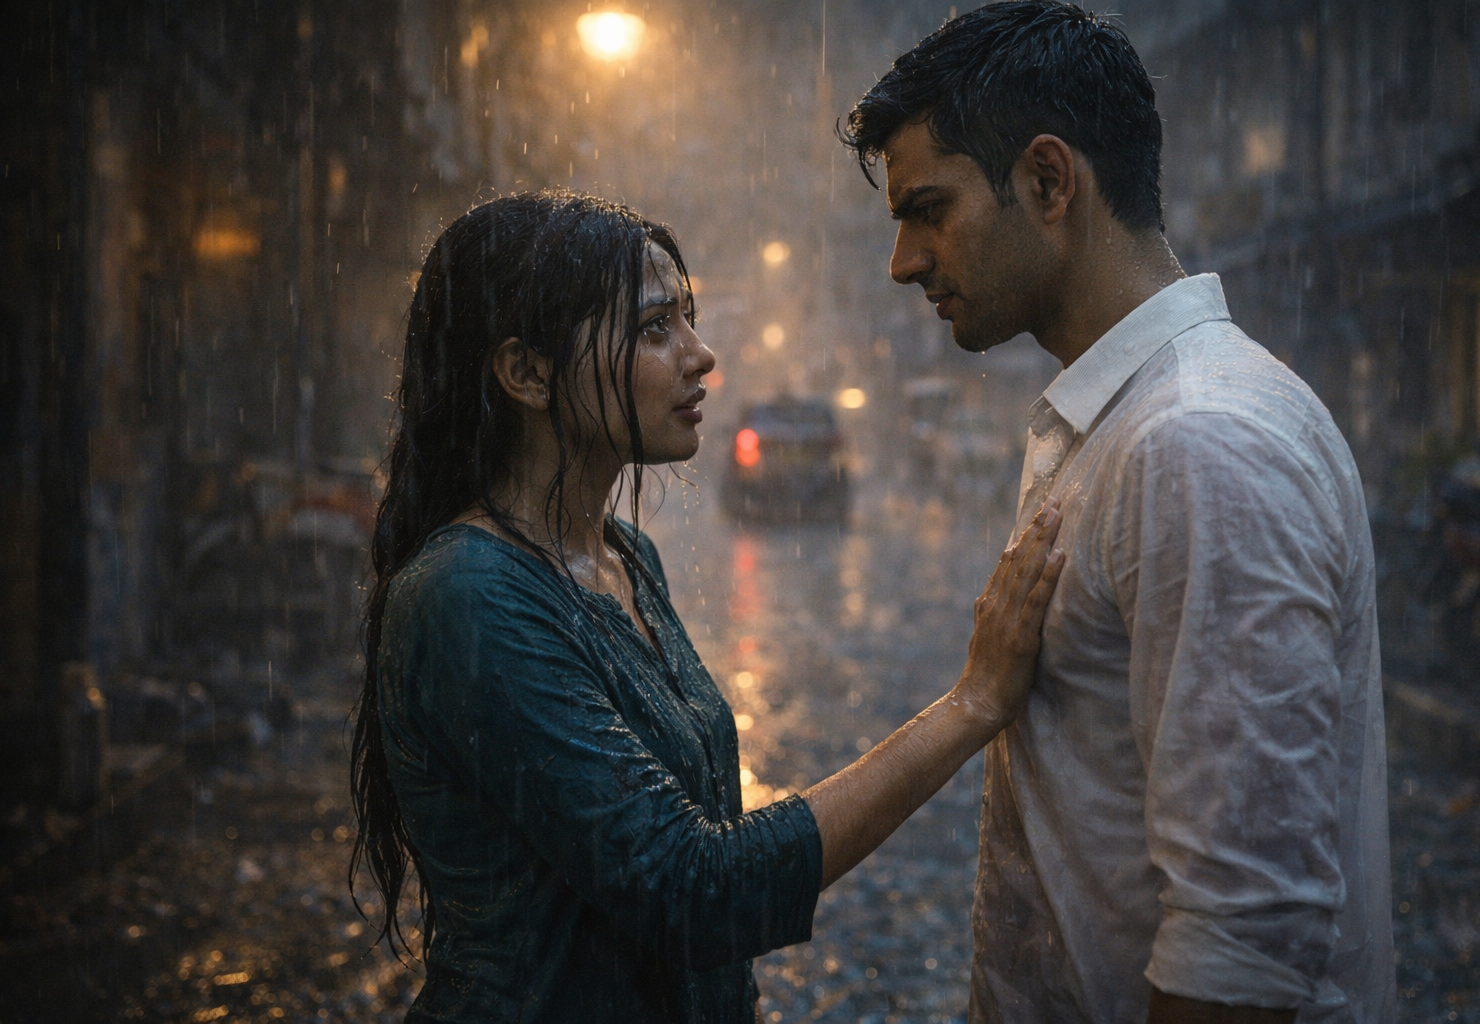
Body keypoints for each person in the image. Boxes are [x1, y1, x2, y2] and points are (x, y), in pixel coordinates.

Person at [347, 190, 1065, 1023]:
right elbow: (689, 888)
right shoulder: (467, 595)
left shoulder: (626, 557)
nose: (702, 355)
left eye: (688, 320)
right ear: (527, 372)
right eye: (655, 330)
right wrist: (971, 705)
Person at [842, 4, 1394, 1023]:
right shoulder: (1128, 422)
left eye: (928, 208)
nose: (905, 261)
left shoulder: (1199, 442)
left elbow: (1243, 943)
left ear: (1050, 181)